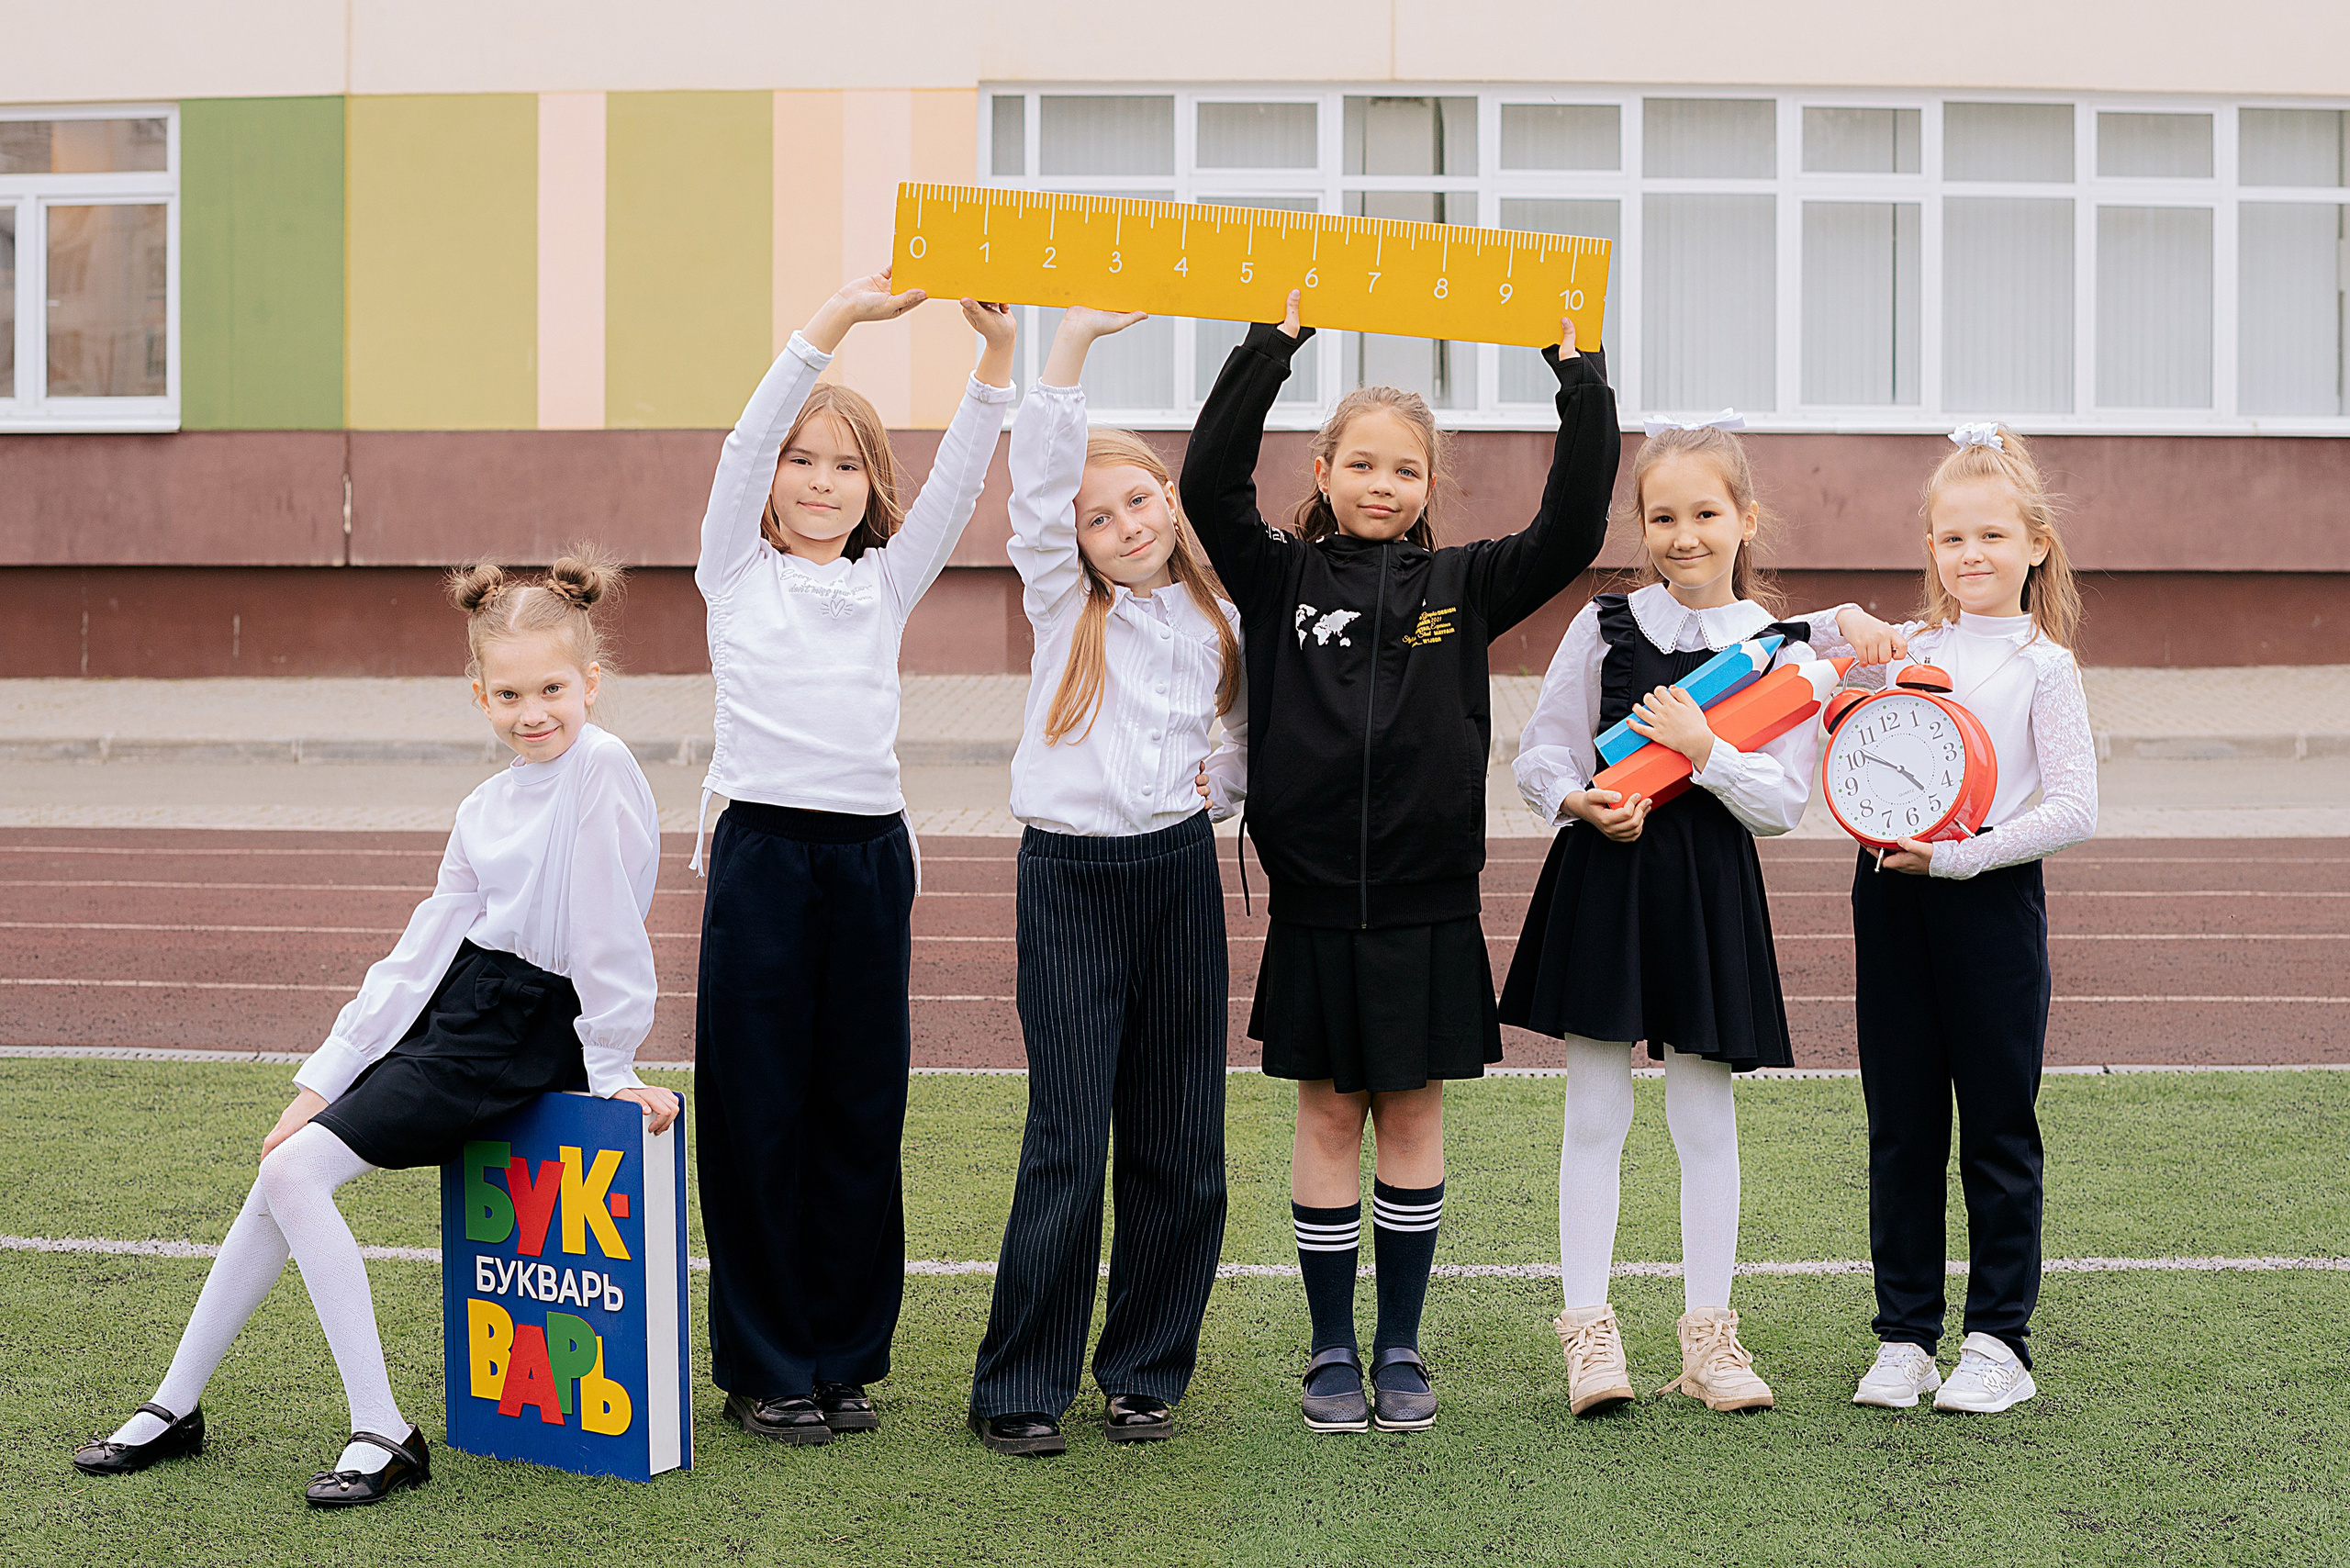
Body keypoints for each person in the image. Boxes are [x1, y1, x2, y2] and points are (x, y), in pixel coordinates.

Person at [73, 553, 676, 1504]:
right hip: (467, 1008)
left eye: (554, 688)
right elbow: (425, 946)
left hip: (526, 1025)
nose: (534, 712)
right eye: (509, 692)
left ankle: (385, 1430)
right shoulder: (484, 805)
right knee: (284, 1162)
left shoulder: (599, 765)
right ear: (477, 694)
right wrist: (324, 1078)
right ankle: (175, 1402)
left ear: (591, 683)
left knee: (292, 1171)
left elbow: (607, 926)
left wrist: (611, 1067)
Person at [1180, 289, 1617, 1434]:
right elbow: (1206, 487)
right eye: (1361, 464)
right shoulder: (1276, 575)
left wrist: (1579, 381)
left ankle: (1402, 1348)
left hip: (1429, 906)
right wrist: (1271, 346)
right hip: (1315, 908)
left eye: (1405, 470)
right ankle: (1330, 1350)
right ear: (1321, 471)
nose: (1383, 485)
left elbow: (1572, 530)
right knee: (1328, 1114)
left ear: (1430, 487)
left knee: (1413, 1115)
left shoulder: (1463, 587)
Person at [1503, 419, 1900, 1417]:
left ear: (1745, 519)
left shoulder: (1775, 654)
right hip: (1606, 875)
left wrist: (1702, 747)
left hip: (1708, 889)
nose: (1685, 535)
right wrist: (1577, 800)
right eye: (1664, 516)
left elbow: (1780, 805)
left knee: (1703, 1118)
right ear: (1642, 524)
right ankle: (1588, 1333)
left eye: (1707, 514)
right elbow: (1540, 754)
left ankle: (1709, 1339)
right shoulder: (1601, 625)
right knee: (1594, 1112)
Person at [692, 270, 1016, 1444]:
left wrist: (992, 360)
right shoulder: (732, 571)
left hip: (871, 863)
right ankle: (765, 1364)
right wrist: (833, 324)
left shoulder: (886, 581)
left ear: (871, 488)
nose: (821, 484)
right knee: (757, 1112)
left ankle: (840, 1356)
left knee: (856, 1109)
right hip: (764, 857)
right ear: (771, 479)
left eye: (846, 466)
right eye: (802, 461)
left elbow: (961, 480)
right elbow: (739, 442)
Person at [965, 307, 1247, 1457]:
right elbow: (1037, 485)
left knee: (1181, 1139)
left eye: (1137, 500)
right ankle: (1020, 1384)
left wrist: (1214, 782)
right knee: (1070, 1137)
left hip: (1177, 877)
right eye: (1096, 516)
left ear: (1170, 503)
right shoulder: (1059, 602)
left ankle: (1142, 1369)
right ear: (1071, 539)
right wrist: (1070, 346)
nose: (1121, 524)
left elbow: (1236, 747)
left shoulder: (1219, 618)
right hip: (1070, 882)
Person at [1817, 423, 2097, 1416]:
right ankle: (1904, 1338)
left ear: (2033, 545)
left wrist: (1959, 854)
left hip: (1985, 904)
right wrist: (1843, 619)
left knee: (1995, 1129)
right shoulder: (1903, 650)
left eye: (1989, 536)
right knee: (1898, 1127)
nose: (1969, 555)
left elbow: (2072, 807)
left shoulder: (2042, 666)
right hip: (1888, 897)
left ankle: (1996, 1340)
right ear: (1928, 548)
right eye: (1948, 538)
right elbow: (1803, 673)